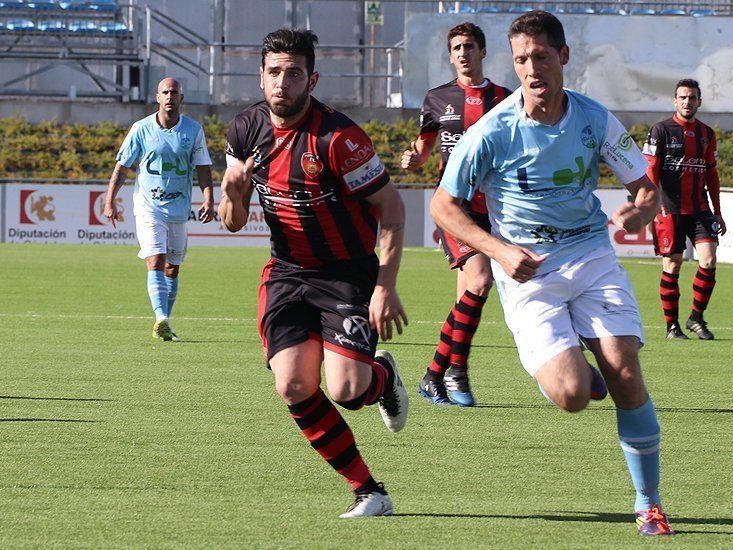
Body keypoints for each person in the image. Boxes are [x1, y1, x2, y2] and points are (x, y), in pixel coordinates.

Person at [429, 11, 675, 536]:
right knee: (571, 396)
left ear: (563, 57)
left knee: (626, 373)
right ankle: (581, 374)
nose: (532, 68)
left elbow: (649, 188)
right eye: (521, 59)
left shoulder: (594, 118)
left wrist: (641, 210)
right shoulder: (491, 131)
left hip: (589, 255)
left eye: (541, 56)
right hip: (528, 271)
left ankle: (648, 502)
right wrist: (498, 250)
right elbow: (444, 207)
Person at [217, 28, 410, 518]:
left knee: (348, 391)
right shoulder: (243, 131)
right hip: (286, 272)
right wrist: (235, 194)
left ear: (312, 78)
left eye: (294, 73)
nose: (283, 82)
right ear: (260, 77)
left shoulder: (338, 139)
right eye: (275, 72)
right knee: (294, 385)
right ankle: (370, 491)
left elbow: (391, 208)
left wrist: (385, 285)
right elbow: (232, 221)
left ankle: (382, 377)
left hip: (347, 273)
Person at [401, 22, 510, 407]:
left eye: (469, 46)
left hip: (495, 208)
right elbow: (425, 147)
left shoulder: (505, 98)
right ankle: (451, 373)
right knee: (480, 282)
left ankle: (439, 374)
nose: (463, 53)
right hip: (455, 207)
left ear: (483, 52)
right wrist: (415, 158)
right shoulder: (436, 98)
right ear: (451, 56)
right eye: (457, 48)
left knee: (469, 296)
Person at [104, 77, 214, 341]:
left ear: (181, 98)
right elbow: (122, 167)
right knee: (155, 259)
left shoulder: (193, 130)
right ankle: (160, 318)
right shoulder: (141, 129)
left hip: (178, 210)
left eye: (174, 92)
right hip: (148, 208)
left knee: (172, 268)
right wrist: (110, 200)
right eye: (165, 92)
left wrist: (209, 199)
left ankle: (164, 322)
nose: (169, 96)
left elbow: (203, 168)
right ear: (157, 97)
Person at [643, 78, 726, 340]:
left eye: (692, 98)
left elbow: (712, 175)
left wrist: (718, 211)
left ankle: (696, 318)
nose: (687, 102)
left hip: (700, 208)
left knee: (709, 260)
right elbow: (651, 170)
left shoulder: (706, 134)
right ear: (675, 101)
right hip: (669, 208)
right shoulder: (661, 130)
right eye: (682, 97)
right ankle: (671, 326)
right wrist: (651, 206)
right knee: (673, 264)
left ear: (699, 102)